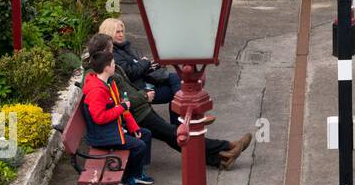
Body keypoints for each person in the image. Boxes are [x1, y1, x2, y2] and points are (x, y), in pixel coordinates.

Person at [102, 38, 254, 171]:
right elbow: (121, 101)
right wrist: (143, 95)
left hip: (140, 109)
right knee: (174, 134)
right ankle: (227, 147)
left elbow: (126, 91)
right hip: (137, 114)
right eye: (110, 51)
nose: (113, 56)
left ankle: (220, 158)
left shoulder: (111, 70)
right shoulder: (105, 76)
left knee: (172, 136)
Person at [82, 38, 151, 185]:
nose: (115, 66)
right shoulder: (97, 91)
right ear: (107, 68)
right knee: (138, 146)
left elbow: (122, 107)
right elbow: (99, 118)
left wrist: (133, 126)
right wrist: (121, 107)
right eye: (113, 64)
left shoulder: (109, 83)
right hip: (102, 136)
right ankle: (126, 178)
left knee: (145, 134)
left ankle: (137, 173)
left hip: (112, 128)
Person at [99, 18, 192, 125]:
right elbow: (130, 73)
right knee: (176, 93)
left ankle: (181, 120)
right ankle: (182, 119)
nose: (121, 35)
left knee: (177, 78)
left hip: (147, 81)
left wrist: (153, 66)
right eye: (117, 32)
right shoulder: (113, 54)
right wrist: (144, 63)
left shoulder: (125, 47)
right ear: (108, 33)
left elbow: (140, 66)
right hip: (139, 89)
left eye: (122, 31)